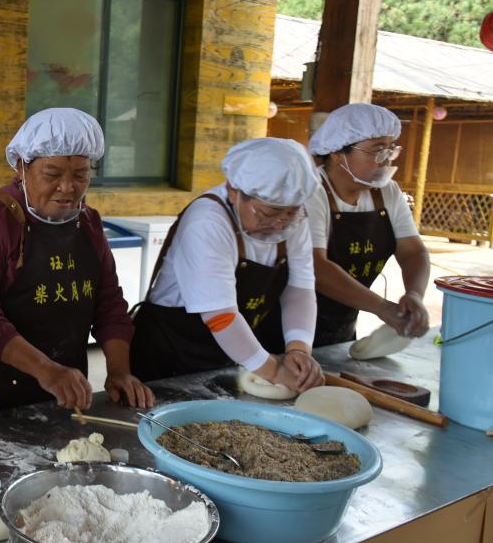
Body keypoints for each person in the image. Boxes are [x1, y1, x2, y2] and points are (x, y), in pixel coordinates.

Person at [0, 108, 153, 417]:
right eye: (52, 174)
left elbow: (109, 304)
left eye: (80, 175)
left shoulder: (88, 223)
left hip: (66, 386)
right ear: (22, 166)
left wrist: (119, 371)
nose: (68, 187)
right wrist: (47, 370)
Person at [130, 138, 324, 393]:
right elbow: (220, 316)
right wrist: (274, 371)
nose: (280, 223)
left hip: (230, 348)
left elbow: (299, 288)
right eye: (269, 213)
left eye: (290, 213)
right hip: (172, 350)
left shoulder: (290, 220)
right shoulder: (207, 221)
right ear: (234, 191)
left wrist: (298, 348)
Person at [307, 103, 430, 345]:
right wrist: (382, 308)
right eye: (377, 150)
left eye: (390, 150)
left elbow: (413, 252)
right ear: (337, 153)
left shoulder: (387, 192)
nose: (385, 161)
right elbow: (316, 268)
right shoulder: (312, 191)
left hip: (341, 330)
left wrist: (415, 294)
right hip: (285, 331)